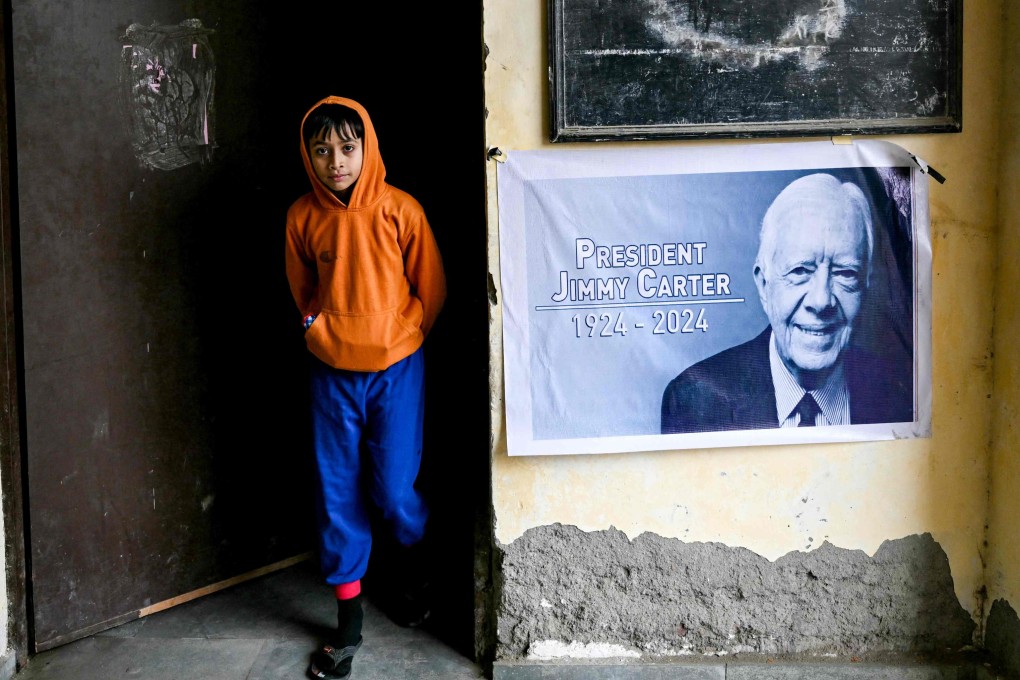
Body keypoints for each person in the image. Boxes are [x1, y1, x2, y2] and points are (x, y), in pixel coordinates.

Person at [284, 96, 446, 680]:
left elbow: (432, 286)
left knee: (395, 490)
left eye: (347, 148)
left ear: (367, 147)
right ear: (308, 155)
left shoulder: (401, 210)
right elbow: (302, 290)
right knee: (337, 494)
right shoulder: (303, 216)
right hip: (332, 374)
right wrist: (317, 330)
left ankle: (416, 575)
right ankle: (348, 626)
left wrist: (401, 335)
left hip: (397, 369)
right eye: (322, 150)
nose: (336, 162)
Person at [660, 172, 913, 435]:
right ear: (764, 284)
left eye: (845, 273)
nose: (821, 300)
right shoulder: (695, 400)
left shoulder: (901, 394)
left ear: (865, 284)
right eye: (801, 270)